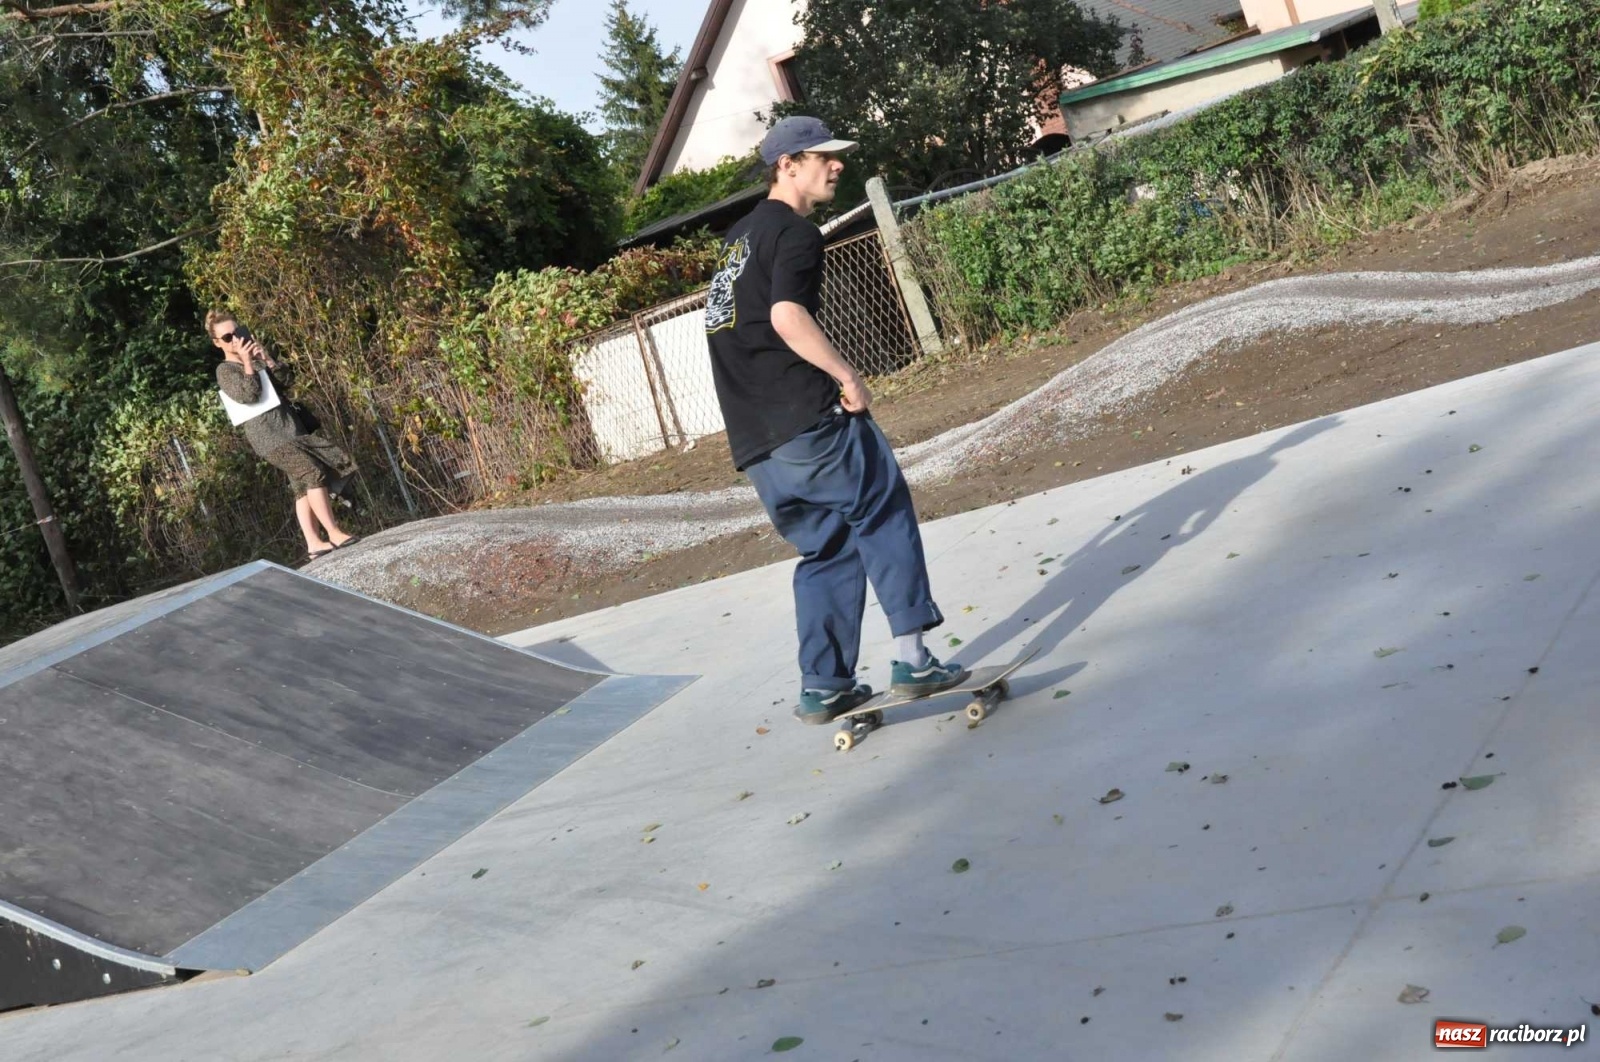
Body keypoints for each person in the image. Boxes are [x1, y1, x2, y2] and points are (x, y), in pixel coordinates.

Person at [705, 116, 965, 725]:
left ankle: (825, 685)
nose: (837, 164)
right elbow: (787, 317)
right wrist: (847, 377)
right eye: (823, 155)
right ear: (786, 165)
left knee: (826, 547)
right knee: (882, 507)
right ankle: (914, 659)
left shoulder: (737, 241)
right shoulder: (794, 232)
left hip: (758, 443)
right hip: (809, 420)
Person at [208, 310, 360, 561]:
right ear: (217, 343)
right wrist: (247, 363)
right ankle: (333, 532)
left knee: (301, 486)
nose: (234, 339)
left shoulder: (255, 359)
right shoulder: (225, 371)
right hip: (268, 437)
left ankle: (313, 543)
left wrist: (266, 359)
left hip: (291, 429)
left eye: (237, 332)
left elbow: (287, 380)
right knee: (312, 472)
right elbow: (248, 395)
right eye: (227, 337)